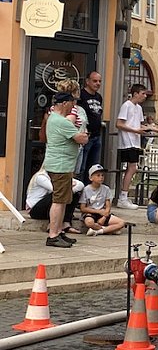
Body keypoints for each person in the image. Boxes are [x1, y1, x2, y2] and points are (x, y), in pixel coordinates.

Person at [44, 92, 89, 247]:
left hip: (62, 165)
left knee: (63, 200)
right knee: (58, 201)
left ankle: (59, 231)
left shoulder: (55, 118)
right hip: (60, 166)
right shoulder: (61, 122)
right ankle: (53, 235)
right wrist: (84, 136)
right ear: (64, 103)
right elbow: (81, 138)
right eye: (72, 102)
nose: (73, 106)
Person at [26, 167, 85, 236]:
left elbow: (81, 185)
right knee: (57, 195)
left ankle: (66, 223)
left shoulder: (58, 176)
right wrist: (69, 187)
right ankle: (51, 225)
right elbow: (55, 189)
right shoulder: (40, 177)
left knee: (74, 195)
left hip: (48, 207)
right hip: (35, 210)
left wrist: (69, 191)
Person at [79, 164, 126, 236]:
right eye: (98, 175)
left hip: (103, 213)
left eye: (102, 175)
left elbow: (108, 206)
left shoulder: (106, 189)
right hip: (91, 212)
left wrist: (104, 216)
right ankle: (107, 229)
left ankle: (99, 231)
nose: (101, 177)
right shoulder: (86, 189)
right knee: (89, 222)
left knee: (121, 223)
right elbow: (83, 208)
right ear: (91, 178)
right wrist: (97, 211)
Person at [78, 71, 104, 180]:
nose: (97, 83)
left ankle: (90, 192)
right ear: (87, 81)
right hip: (85, 136)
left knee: (93, 168)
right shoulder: (81, 95)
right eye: (94, 81)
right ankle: (78, 192)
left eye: (99, 81)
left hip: (97, 136)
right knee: (81, 167)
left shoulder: (99, 97)